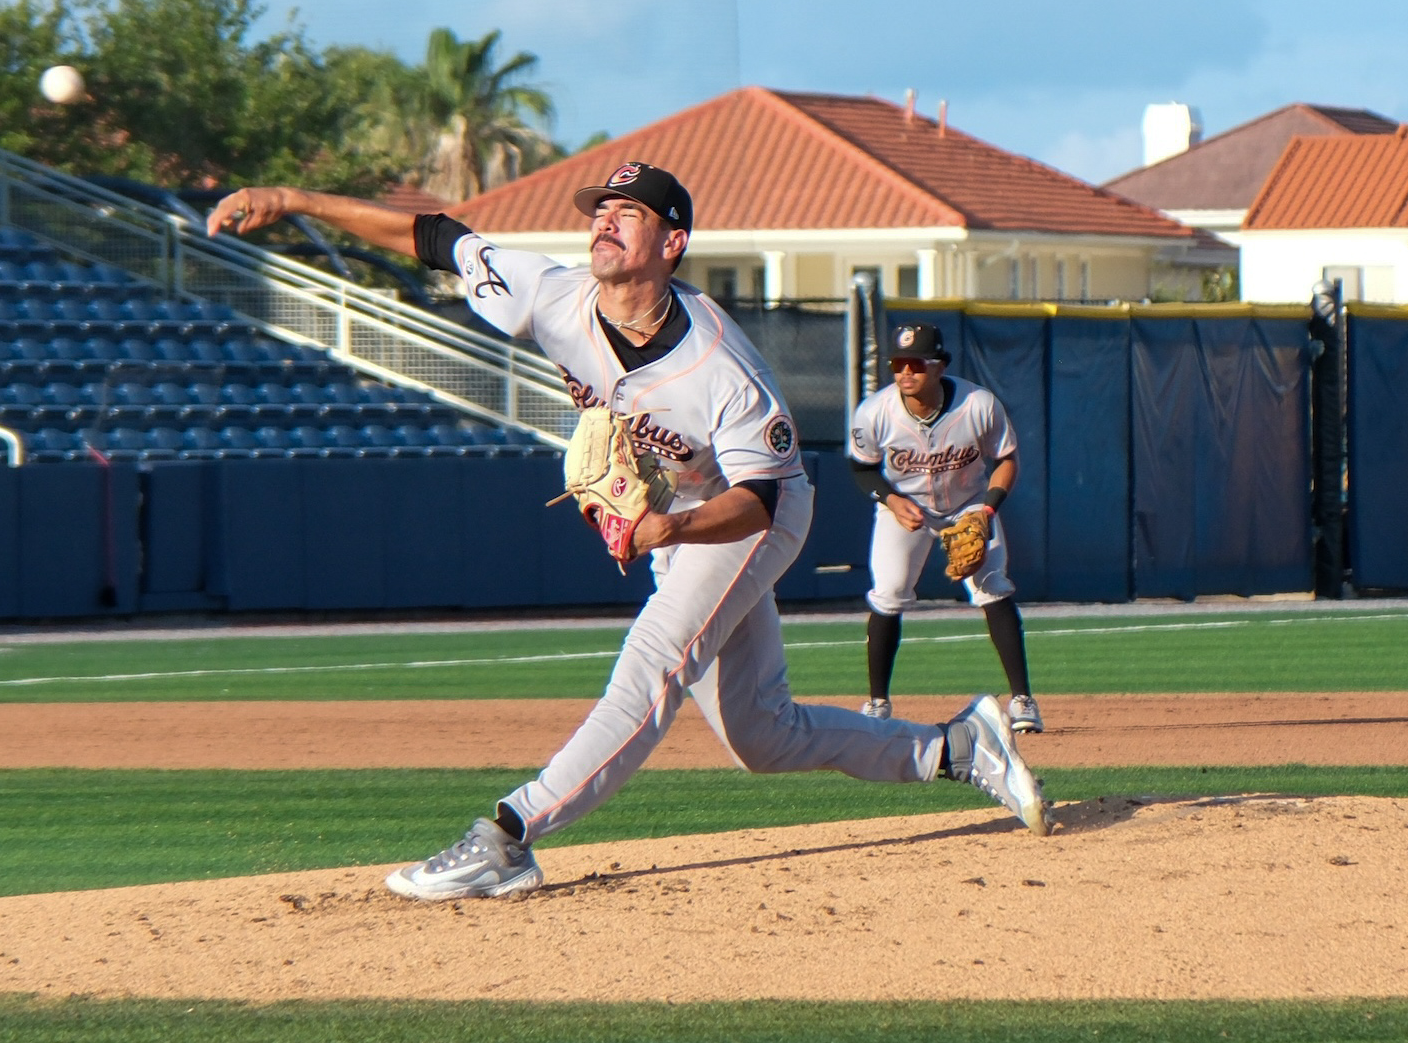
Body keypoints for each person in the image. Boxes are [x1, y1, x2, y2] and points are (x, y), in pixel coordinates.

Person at [208, 162, 1049, 902]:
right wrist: (291, 198)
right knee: (762, 735)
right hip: (678, 519)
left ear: (672, 241)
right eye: (599, 208)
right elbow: (438, 238)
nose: (603, 220)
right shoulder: (552, 295)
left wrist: (664, 528)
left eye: (629, 211)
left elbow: (758, 500)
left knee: (651, 665)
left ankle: (507, 835)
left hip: (749, 515)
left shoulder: (721, 368)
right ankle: (955, 747)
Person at [848, 323, 1041, 732]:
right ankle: (877, 702)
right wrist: (891, 500)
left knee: (992, 584)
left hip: (968, 506)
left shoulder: (978, 404)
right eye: (899, 364)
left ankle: (1023, 700)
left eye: (916, 364)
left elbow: (1007, 459)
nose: (906, 373)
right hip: (905, 509)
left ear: (940, 366)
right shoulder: (874, 412)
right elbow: (862, 467)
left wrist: (987, 511)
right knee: (888, 593)